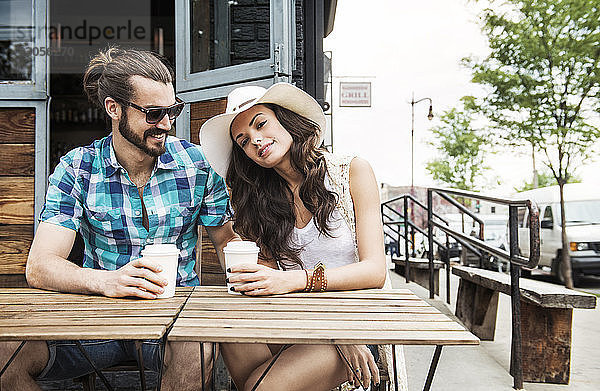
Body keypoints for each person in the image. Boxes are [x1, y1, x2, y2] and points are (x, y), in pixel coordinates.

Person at [0, 48, 239, 391]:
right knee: (5, 353)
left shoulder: (197, 163)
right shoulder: (77, 168)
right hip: (97, 319)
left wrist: (248, 269)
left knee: (199, 348)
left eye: (172, 110)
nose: (167, 124)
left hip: (174, 315)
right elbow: (40, 266)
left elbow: (225, 241)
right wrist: (107, 282)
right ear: (114, 109)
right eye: (154, 113)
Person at [199, 83, 407, 391]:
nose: (254, 140)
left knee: (261, 386)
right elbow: (268, 284)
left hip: (357, 327)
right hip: (299, 323)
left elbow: (375, 271)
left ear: (286, 119)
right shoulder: (262, 203)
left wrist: (299, 287)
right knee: (228, 333)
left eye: (260, 124)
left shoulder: (351, 172)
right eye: (243, 141)